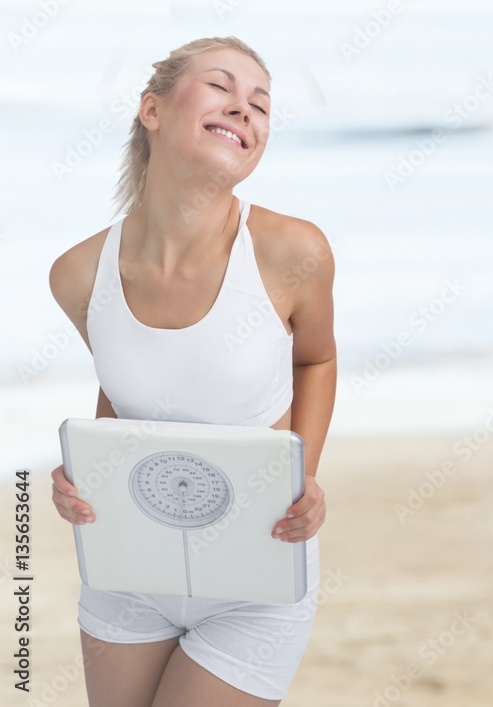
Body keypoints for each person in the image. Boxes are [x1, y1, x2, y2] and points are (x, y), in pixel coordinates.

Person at [47, 36, 337, 706]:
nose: (245, 109)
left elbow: (315, 357)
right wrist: (86, 478)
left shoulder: (292, 250)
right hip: (126, 572)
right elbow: (122, 391)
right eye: (222, 88)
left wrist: (307, 476)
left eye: (261, 105)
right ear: (152, 109)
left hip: (255, 573)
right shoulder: (78, 273)